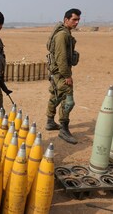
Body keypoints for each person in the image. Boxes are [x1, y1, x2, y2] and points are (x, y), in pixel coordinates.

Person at [45, 8, 81, 144]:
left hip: (57, 72)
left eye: (78, 20)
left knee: (56, 95)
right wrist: (67, 76)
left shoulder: (64, 32)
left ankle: (50, 121)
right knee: (68, 100)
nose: (76, 22)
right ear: (66, 20)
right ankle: (63, 129)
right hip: (61, 73)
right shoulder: (62, 35)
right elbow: (61, 58)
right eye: (74, 19)